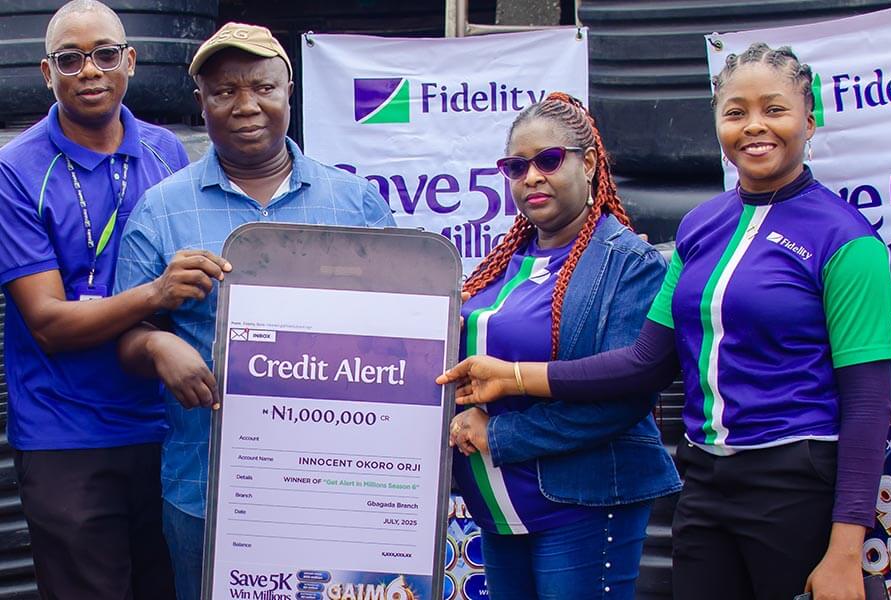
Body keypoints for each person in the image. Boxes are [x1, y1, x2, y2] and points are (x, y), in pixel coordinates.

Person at [438, 44, 891, 600]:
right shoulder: (703, 226)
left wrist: (846, 549)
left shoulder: (847, 240)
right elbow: (645, 362)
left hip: (796, 480)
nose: (754, 126)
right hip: (706, 482)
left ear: (809, 120)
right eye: (735, 112)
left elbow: (870, 406)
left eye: (774, 109)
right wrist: (514, 377)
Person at [113, 22, 396, 600]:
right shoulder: (161, 211)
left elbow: (399, 331)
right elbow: (127, 336)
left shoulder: (354, 201)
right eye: (224, 92)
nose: (247, 106)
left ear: (289, 92)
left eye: (263, 87)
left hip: (339, 480)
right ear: (201, 103)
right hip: (207, 483)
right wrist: (157, 345)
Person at [0, 1, 233, 598]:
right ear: (47, 73)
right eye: (70, 59)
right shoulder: (17, 169)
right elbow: (48, 322)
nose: (90, 70)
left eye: (105, 54)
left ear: (130, 60)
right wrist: (154, 293)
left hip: (168, 426)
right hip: (67, 432)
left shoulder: (166, 152)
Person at [444, 92, 680, 600]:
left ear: (589, 163)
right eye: (516, 166)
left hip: (582, 504)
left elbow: (625, 396)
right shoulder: (502, 265)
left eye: (549, 160)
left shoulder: (628, 263)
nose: (531, 176)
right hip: (504, 514)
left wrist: (501, 436)